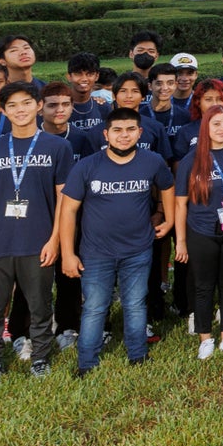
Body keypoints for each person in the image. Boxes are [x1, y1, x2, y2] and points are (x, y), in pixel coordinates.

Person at [0, 81, 73, 386]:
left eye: (26, 103)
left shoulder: (58, 147)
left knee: (40, 305)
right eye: (12, 105)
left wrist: (54, 239)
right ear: (3, 111)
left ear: (39, 105)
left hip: (38, 240)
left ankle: (40, 357)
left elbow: (64, 200)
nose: (20, 110)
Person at [58, 108, 176, 376]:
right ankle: (86, 362)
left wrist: (168, 220)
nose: (124, 136)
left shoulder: (153, 161)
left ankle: (137, 354)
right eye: (118, 130)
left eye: (130, 130)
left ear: (140, 132)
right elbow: (68, 211)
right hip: (96, 252)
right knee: (95, 307)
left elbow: (168, 187)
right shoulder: (87, 166)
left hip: (138, 249)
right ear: (106, 134)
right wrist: (67, 253)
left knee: (135, 304)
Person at [176, 107, 223, 359]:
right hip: (202, 230)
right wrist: (181, 242)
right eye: (216, 124)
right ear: (205, 127)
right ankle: (205, 338)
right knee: (204, 286)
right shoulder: (191, 160)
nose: (222, 129)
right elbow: (180, 204)